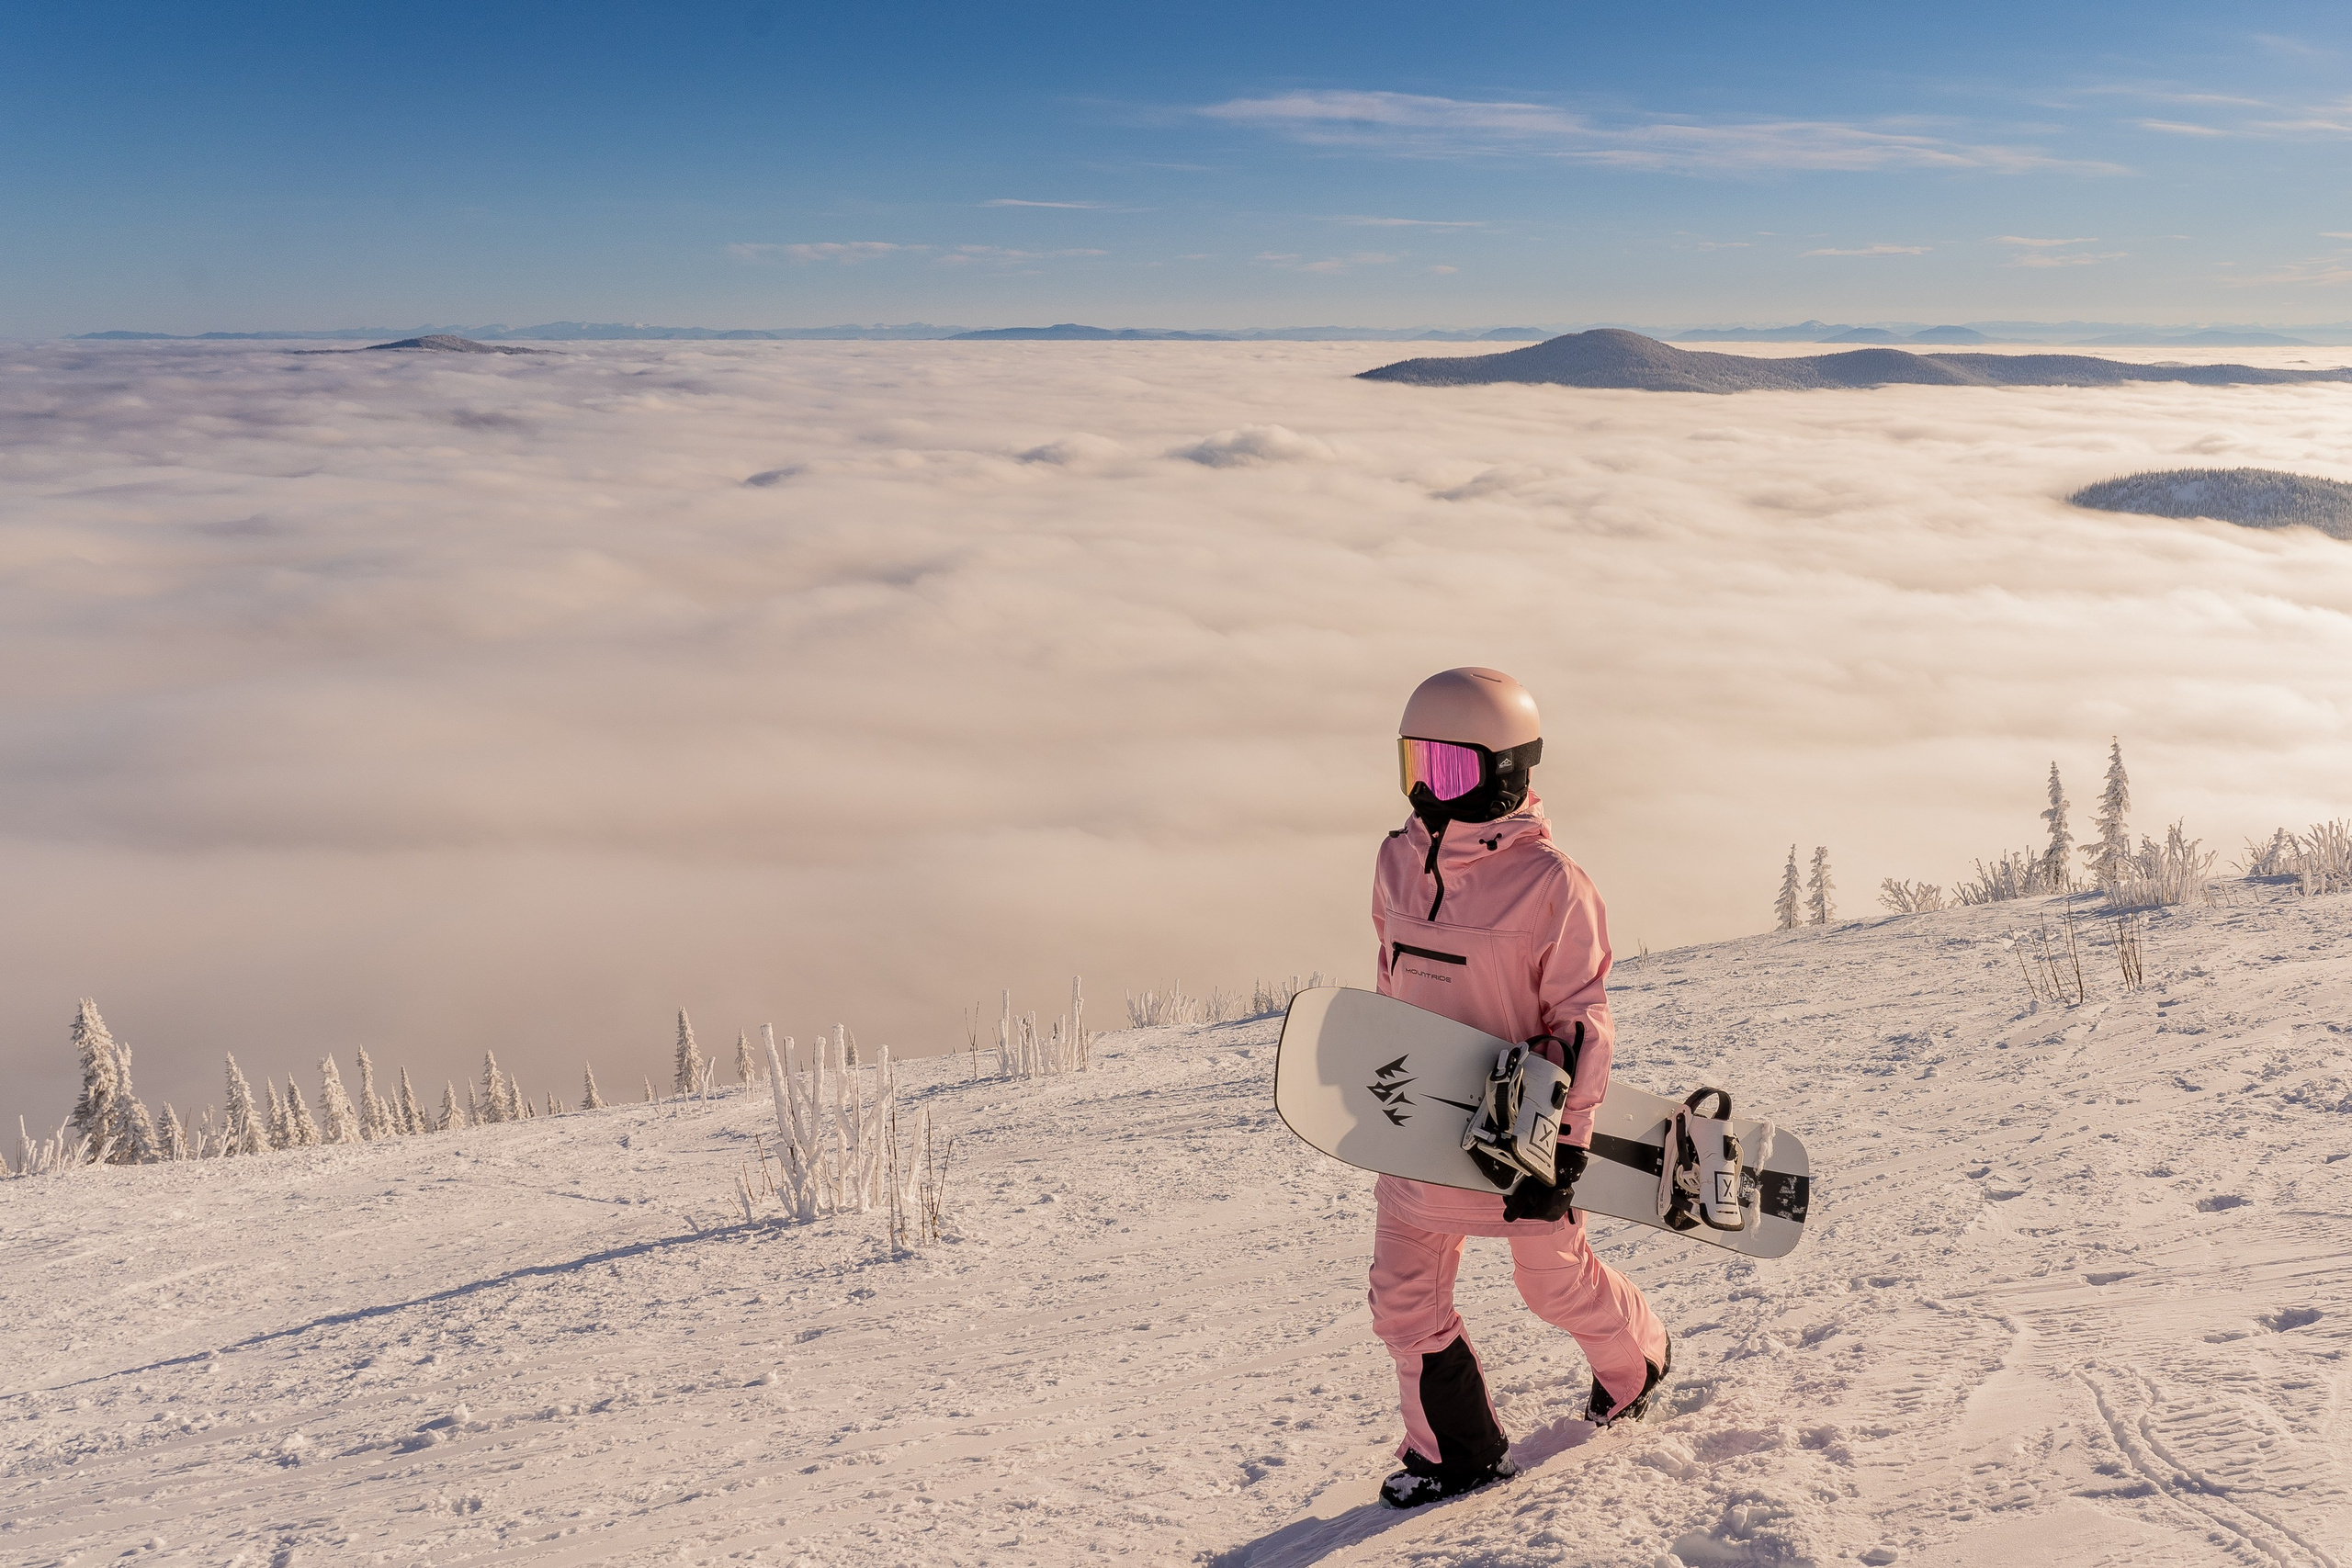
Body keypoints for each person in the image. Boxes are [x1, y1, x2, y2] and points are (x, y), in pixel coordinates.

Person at [1368, 666, 1671, 1509]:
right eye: (1416, 765)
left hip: (1519, 1140)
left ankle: (1637, 1360)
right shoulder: (1397, 861)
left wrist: (1566, 1149)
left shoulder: (1553, 887)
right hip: (1420, 1134)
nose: (1430, 789)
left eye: (1452, 770)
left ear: (1506, 772)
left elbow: (1582, 1023)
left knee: (1553, 1283)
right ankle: (1454, 1451)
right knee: (1402, 1300)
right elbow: (1392, 987)